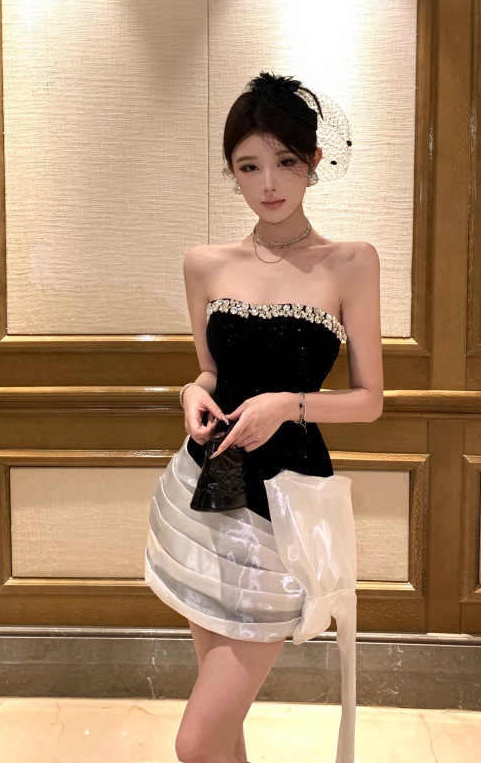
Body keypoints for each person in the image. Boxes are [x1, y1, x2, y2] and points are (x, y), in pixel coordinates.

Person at [144, 71, 384, 763]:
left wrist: (290, 405)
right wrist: (191, 392)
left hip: (286, 504)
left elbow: (369, 400)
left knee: (196, 742)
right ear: (232, 173)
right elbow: (212, 371)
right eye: (248, 166)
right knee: (223, 736)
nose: (269, 183)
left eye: (284, 161)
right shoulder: (204, 264)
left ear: (314, 161)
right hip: (211, 487)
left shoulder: (351, 264)